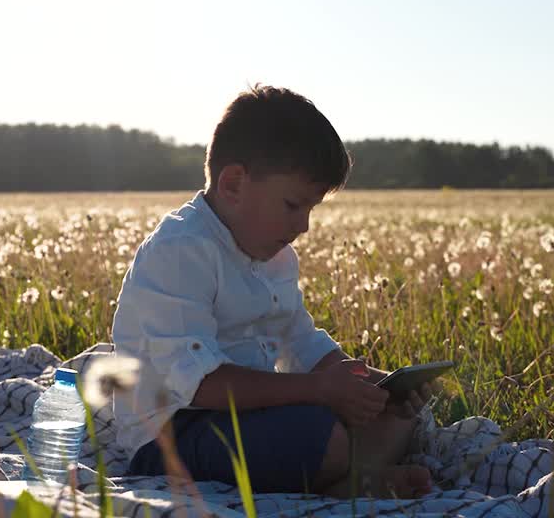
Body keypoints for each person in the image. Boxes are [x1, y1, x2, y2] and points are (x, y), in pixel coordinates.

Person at [111, 85, 433, 497]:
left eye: (311, 209)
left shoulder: (276, 257)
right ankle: (350, 477)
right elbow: (200, 385)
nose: (304, 226)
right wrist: (318, 390)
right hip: (172, 434)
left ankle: (347, 472)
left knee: (395, 416)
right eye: (293, 205)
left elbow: (300, 342)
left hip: (254, 414)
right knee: (316, 436)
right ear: (233, 185)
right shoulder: (181, 251)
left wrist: (370, 386)